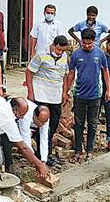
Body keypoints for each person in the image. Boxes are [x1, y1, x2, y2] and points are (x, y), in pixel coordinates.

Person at [64, 29, 110, 162]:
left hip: (95, 95)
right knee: (78, 123)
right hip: (79, 94)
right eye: (85, 43)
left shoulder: (100, 53)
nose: (87, 46)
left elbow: (105, 71)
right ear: (81, 41)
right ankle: (78, 151)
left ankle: (90, 150)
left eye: (90, 44)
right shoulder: (76, 54)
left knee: (93, 124)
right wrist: (66, 91)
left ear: (94, 41)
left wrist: (109, 90)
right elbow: (71, 73)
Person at [25, 35, 69, 165]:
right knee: (42, 125)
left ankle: (46, 153)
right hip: (41, 95)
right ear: (53, 45)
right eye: (59, 50)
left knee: (53, 125)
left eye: (63, 51)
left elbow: (65, 75)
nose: (60, 53)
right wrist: (31, 92)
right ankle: (40, 154)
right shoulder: (41, 55)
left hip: (55, 96)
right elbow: (29, 72)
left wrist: (65, 92)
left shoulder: (64, 57)